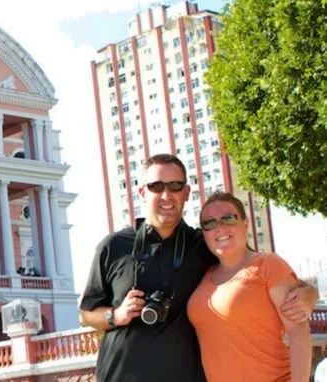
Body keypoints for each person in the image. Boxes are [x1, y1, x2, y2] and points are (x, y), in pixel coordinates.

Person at [79, 153, 316, 382]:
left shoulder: (206, 242)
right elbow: (88, 312)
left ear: (186, 192)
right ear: (142, 192)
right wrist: (116, 315)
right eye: (156, 186)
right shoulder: (113, 247)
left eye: (175, 186)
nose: (166, 194)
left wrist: (309, 293)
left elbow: (254, 265)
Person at [187, 192, 311, 381]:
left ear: (245, 224)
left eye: (228, 218)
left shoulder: (268, 265)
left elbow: (298, 330)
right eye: (209, 223)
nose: (219, 227)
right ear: (204, 233)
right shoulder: (204, 275)